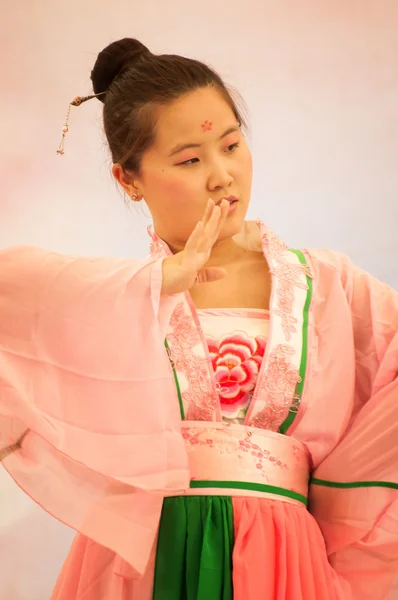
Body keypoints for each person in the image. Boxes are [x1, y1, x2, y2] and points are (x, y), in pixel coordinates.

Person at [0, 37, 397, 600]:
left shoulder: (332, 287)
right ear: (128, 180)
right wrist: (159, 283)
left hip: (285, 561)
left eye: (232, 146)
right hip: (146, 561)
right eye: (189, 159)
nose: (221, 175)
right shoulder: (118, 302)